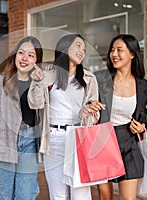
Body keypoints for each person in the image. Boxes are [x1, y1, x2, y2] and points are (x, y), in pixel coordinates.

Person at [28, 33, 100, 200]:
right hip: (54, 139)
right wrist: (38, 83)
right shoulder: (47, 75)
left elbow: (94, 112)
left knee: (80, 192)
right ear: (65, 48)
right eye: (78, 46)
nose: (82, 51)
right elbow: (35, 104)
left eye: (83, 48)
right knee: (58, 194)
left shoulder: (89, 78)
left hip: (79, 138)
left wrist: (85, 112)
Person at [0, 36, 43, 200]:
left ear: (37, 60)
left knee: (25, 195)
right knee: (3, 196)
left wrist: (39, 84)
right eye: (21, 53)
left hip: (29, 142)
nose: (25, 58)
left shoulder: (39, 83)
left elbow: (38, 105)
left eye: (31, 55)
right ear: (14, 55)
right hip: (2, 143)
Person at [89, 34, 147, 200]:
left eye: (119, 50)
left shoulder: (143, 86)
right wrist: (89, 107)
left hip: (129, 141)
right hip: (103, 141)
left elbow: (142, 113)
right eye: (112, 50)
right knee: (105, 197)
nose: (114, 54)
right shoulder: (101, 79)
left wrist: (142, 126)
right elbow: (88, 105)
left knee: (129, 198)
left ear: (132, 54)